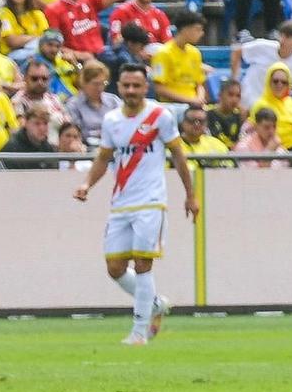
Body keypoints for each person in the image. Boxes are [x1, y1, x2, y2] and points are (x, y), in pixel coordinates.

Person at [73, 62, 200, 345]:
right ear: (118, 87)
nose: (131, 90)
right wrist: (86, 184)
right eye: (126, 85)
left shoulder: (160, 116)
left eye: (136, 85)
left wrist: (190, 194)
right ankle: (154, 303)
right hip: (121, 202)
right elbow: (105, 158)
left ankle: (139, 332)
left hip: (151, 202)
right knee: (115, 268)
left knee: (143, 264)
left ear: (146, 87)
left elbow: (179, 156)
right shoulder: (112, 121)